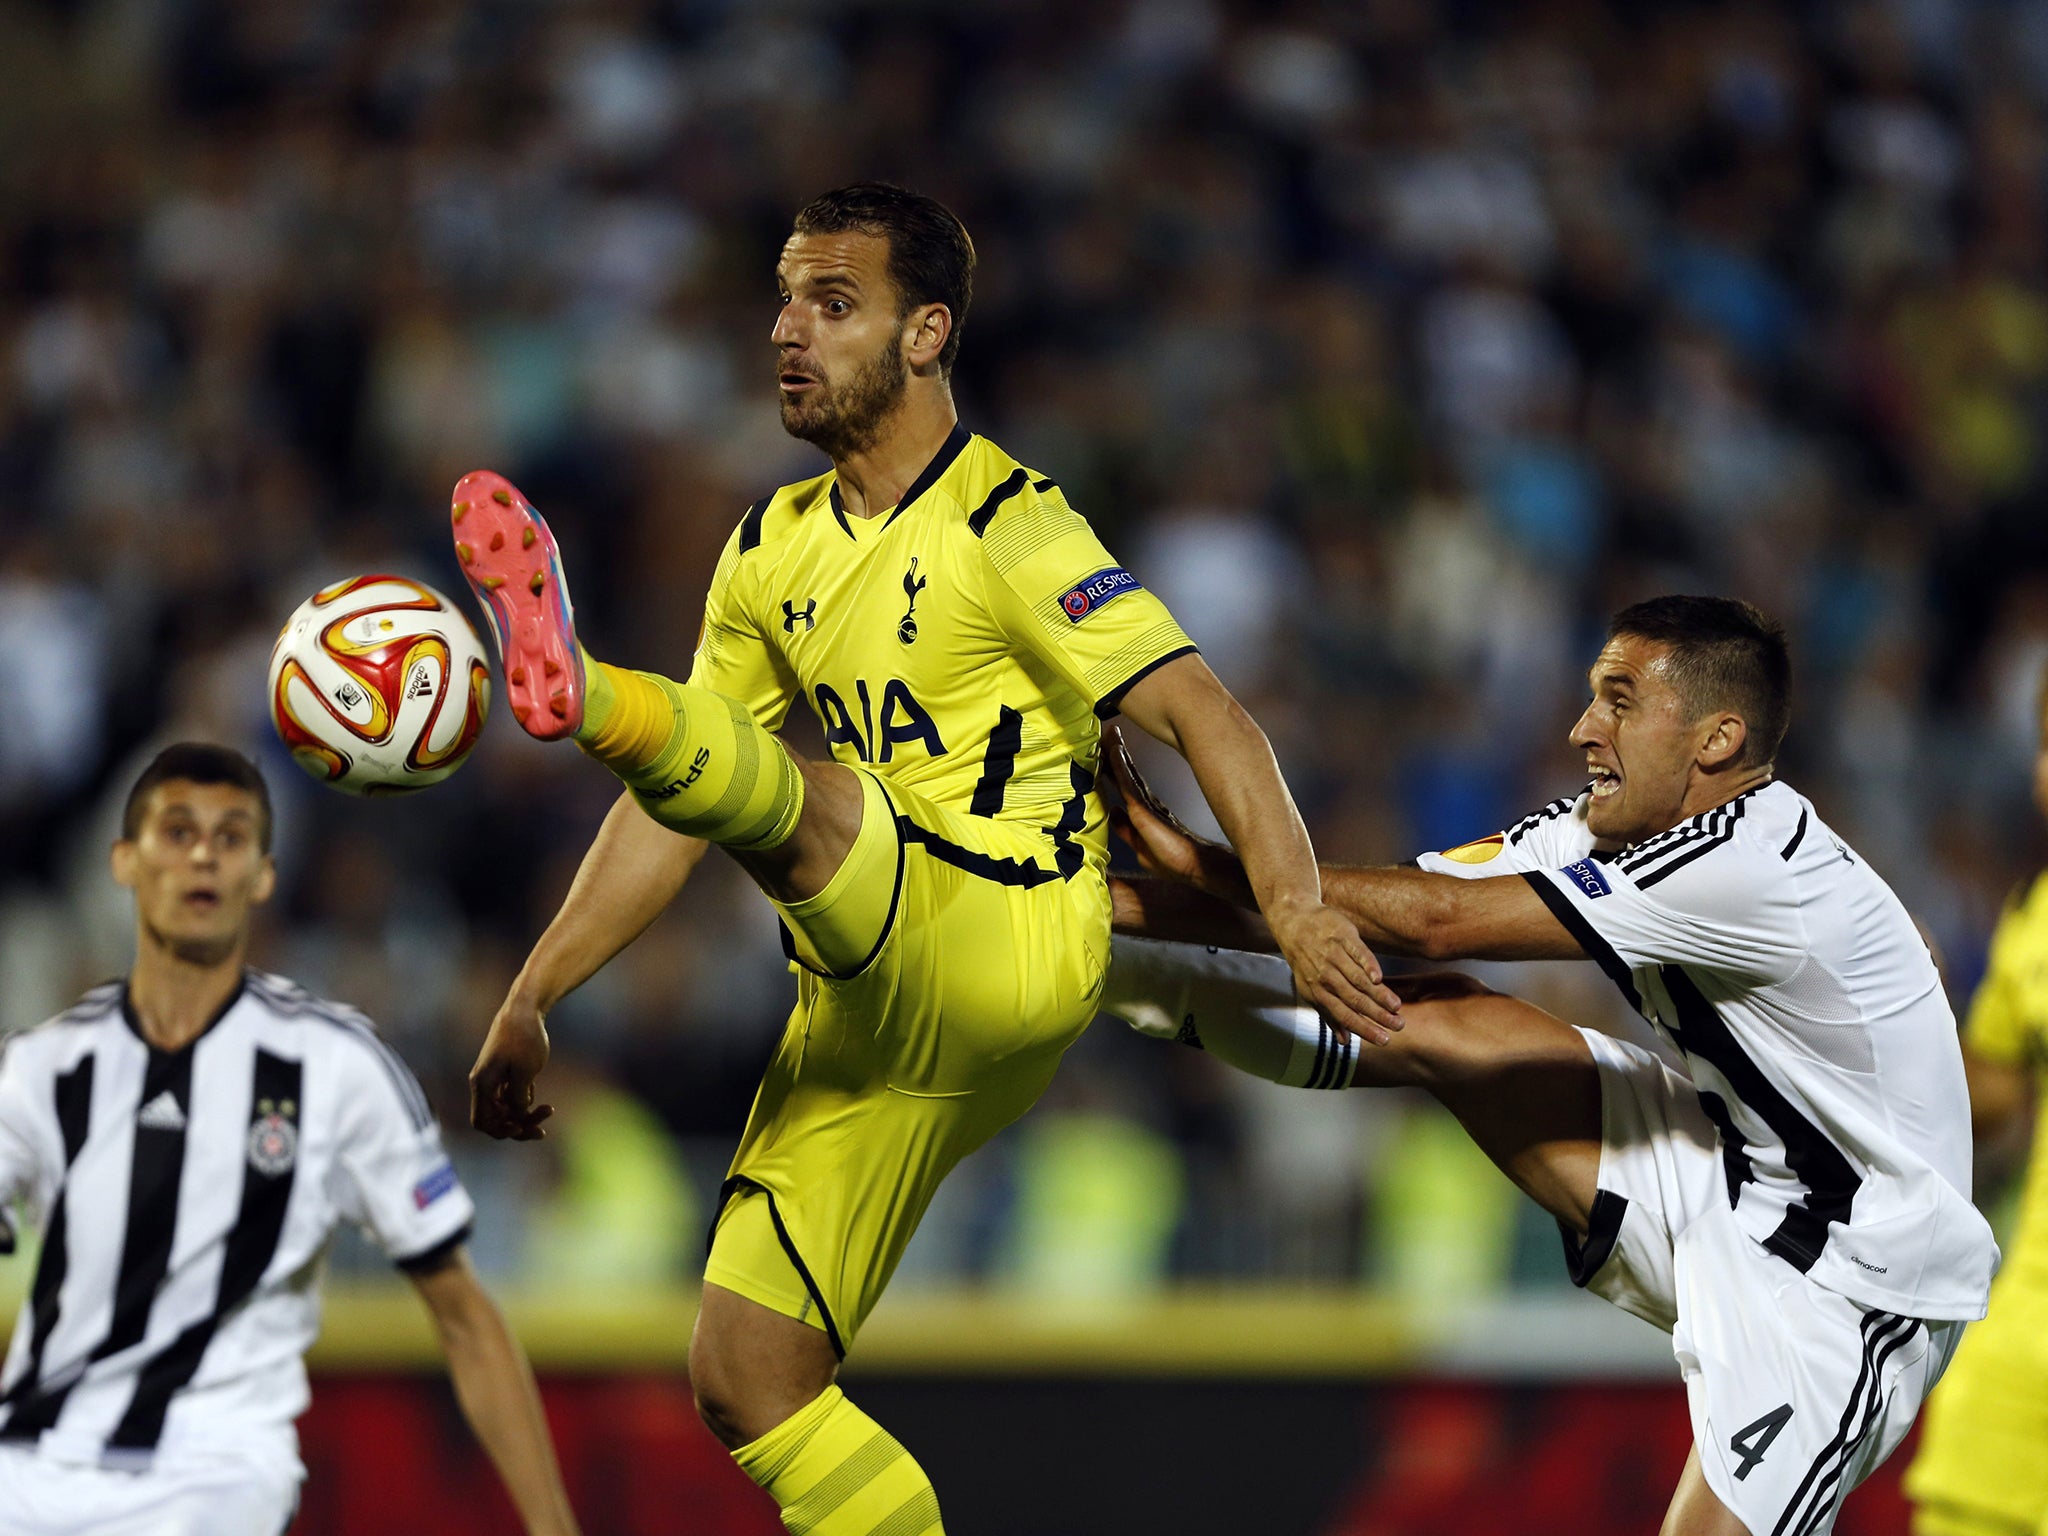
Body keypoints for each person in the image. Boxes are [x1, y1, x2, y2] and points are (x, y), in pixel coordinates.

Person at [452, 181, 1400, 1536]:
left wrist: (1294, 907)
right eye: (784, 298)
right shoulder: (767, 550)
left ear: (924, 334)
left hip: (1008, 928)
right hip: (866, 998)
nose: (790, 330)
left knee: (807, 805)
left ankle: (583, 682)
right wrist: (536, 993)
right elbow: (675, 802)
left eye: (834, 304)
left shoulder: (1010, 521)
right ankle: (591, 691)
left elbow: (1208, 714)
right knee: (747, 1377)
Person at [1102, 596, 1998, 1536]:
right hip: (1728, 1172)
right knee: (1457, 1024)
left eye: (1618, 700)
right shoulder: (1610, 829)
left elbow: (1431, 922)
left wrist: (1203, 865)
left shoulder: (1751, 866)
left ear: (1716, 739)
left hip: (1851, 1285)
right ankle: (1095, 958)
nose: (1582, 729)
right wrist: (1122, 902)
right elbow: (1383, 905)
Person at [0, 744, 580, 1536]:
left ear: (264, 876)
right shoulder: (42, 1069)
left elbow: (465, 1315)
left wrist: (554, 1528)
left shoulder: (336, 1070)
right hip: (31, 1473)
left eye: (231, 836)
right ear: (125, 862)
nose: (203, 855)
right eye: (177, 831)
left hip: (214, 1477)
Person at [1902, 665, 2048, 1536]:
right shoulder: (2035, 917)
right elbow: (1987, 1094)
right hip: (2018, 1385)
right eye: (2043, 742)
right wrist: (1900, 1012)